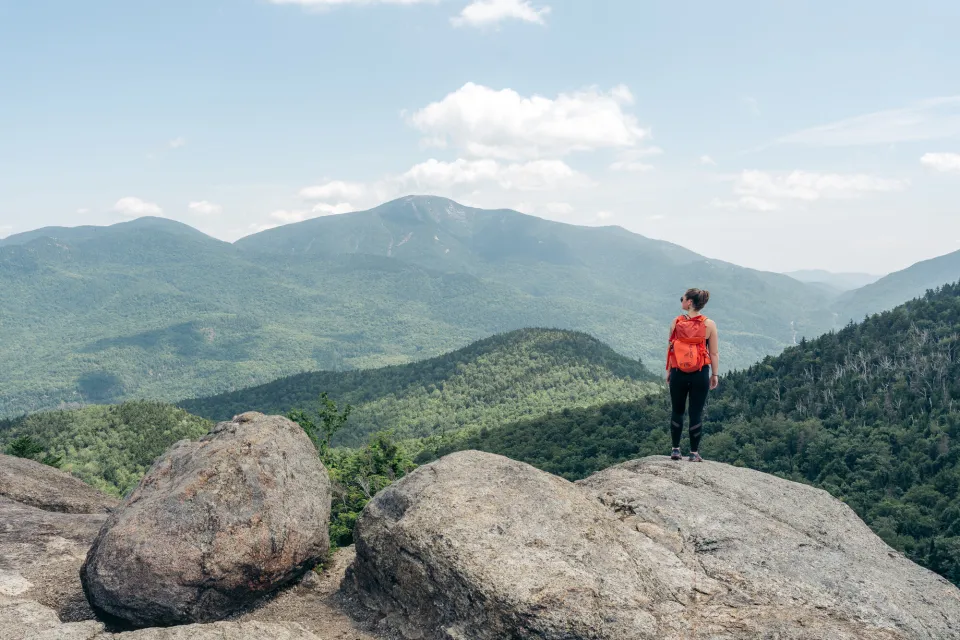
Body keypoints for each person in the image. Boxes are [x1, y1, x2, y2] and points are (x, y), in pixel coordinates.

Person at [665, 288, 719, 462]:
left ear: (689, 302)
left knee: (677, 410)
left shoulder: (676, 322)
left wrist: (669, 371)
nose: (681, 300)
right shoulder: (709, 324)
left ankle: (675, 450)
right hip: (700, 372)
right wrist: (714, 374)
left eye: (683, 298)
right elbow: (714, 353)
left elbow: (671, 348)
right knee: (695, 412)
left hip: (678, 371)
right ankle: (694, 453)